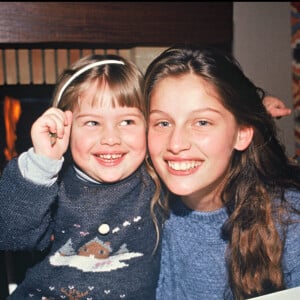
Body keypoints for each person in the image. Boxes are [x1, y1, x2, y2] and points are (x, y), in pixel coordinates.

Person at [0, 54, 163, 299]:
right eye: (92, 123)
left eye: (127, 121)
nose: (110, 138)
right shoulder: (50, 186)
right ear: (66, 128)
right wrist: (41, 165)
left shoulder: (157, 185)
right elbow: (9, 235)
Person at [143, 45, 300, 300]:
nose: (176, 143)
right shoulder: (139, 205)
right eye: (163, 123)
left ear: (242, 134)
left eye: (202, 122)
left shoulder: (287, 220)